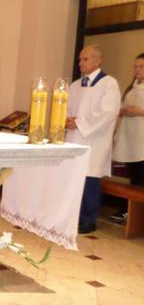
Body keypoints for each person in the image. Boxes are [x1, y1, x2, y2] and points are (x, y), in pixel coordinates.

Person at [65, 44, 121, 234]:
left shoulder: (109, 84)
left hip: (94, 140)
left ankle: (89, 219)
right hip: (74, 138)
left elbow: (108, 112)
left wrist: (79, 122)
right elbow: (67, 109)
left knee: (89, 180)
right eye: (80, 59)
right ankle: (74, 216)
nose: (80, 63)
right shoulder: (75, 85)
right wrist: (67, 120)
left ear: (98, 61)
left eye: (85, 59)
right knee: (74, 179)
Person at [110, 52, 144, 222]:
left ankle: (133, 214)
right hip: (130, 137)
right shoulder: (132, 88)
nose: (137, 70)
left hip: (142, 140)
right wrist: (123, 111)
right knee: (134, 176)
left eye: (141, 67)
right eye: (135, 67)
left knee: (141, 177)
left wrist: (139, 111)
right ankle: (128, 211)